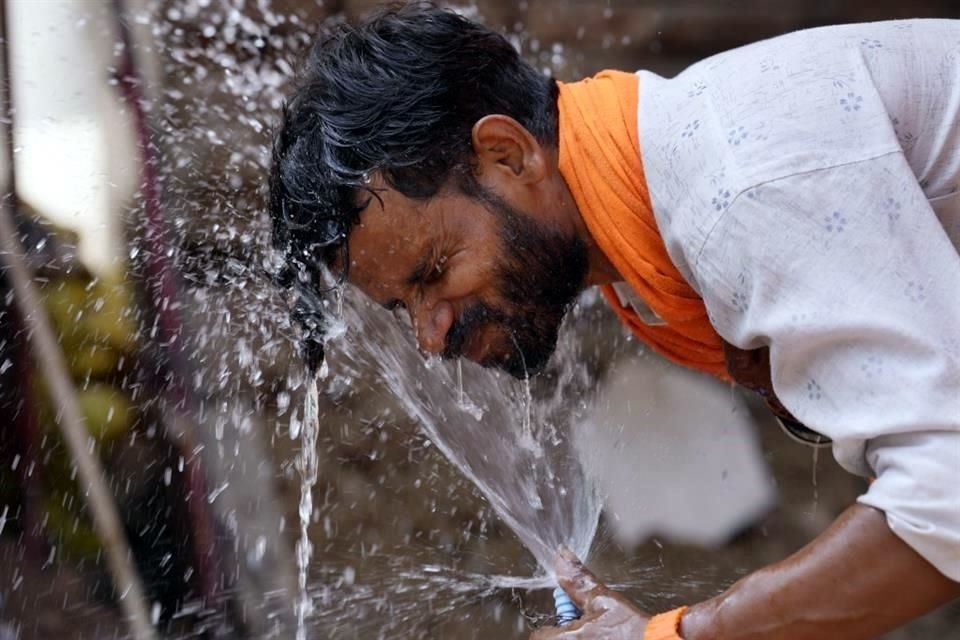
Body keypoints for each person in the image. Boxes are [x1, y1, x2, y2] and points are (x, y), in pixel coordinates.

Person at [269, 3, 960, 638]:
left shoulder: (736, 185)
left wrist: (676, 636)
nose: (429, 333)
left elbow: (943, 497)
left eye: (433, 273)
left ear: (509, 154)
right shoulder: (659, 237)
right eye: (403, 306)